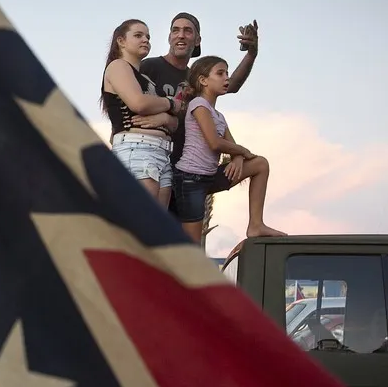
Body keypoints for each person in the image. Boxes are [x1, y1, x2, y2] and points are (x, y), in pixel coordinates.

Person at [139, 13, 259, 218]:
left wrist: (251, 54)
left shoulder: (196, 78)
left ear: (197, 40)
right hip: (151, 166)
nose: (181, 35)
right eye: (175, 30)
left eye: (188, 31)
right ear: (169, 37)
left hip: (188, 172)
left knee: (179, 243)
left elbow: (233, 84)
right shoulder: (149, 67)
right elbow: (125, 100)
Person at [171, 55, 286, 243]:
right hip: (189, 180)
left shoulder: (219, 116)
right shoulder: (198, 105)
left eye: (227, 73)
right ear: (203, 80)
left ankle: (256, 224)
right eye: (220, 73)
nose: (227, 78)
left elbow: (231, 146)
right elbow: (215, 143)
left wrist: (239, 157)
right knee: (192, 245)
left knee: (260, 164)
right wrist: (241, 150)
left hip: (209, 177)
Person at [100, 19, 186, 207]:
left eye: (148, 36)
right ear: (121, 41)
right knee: (140, 224)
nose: (145, 40)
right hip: (137, 150)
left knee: (156, 230)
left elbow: (174, 123)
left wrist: (164, 116)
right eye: (138, 35)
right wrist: (170, 103)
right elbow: (139, 103)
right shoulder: (118, 66)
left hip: (160, 153)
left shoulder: (146, 79)